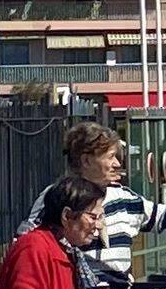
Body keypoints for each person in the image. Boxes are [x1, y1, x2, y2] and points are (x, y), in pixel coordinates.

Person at [62, 116, 150, 279]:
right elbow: (32, 243)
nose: (117, 164)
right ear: (86, 161)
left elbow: (160, 215)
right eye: (110, 157)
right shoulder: (60, 196)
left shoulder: (122, 196)